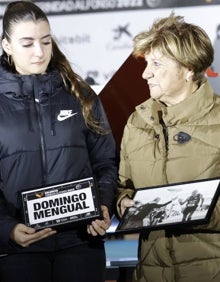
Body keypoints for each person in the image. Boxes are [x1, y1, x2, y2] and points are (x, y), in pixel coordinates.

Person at [0, 1, 118, 282]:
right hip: (19, 252)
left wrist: (102, 205)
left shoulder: (79, 93)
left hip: (81, 244)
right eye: (27, 43)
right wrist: (6, 229)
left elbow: (105, 161)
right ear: (7, 45)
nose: (39, 52)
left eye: (45, 41)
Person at [117, 12, 220, 282]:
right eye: (146, 62)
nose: (144, 73)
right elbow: (123, 186)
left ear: (188, 68)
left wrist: (181, 209)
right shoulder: (136, 122)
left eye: (157, 63)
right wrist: (123, 203)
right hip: (149, 273)